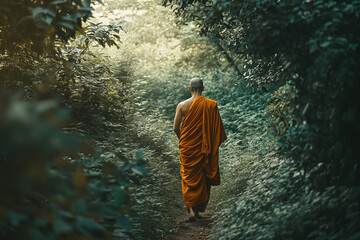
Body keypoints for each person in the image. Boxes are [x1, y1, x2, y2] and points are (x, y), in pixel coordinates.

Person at [173, 77, 227, 221]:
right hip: (204, 148)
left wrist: (184, 140)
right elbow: (217, 131)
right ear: (203, 88)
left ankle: (192, 211)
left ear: (189, 88)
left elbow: (175, 128)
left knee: (188, 178)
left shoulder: (182, 105)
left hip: (187, 147)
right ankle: (195, 211)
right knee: (202, 177)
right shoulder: (210, 105)